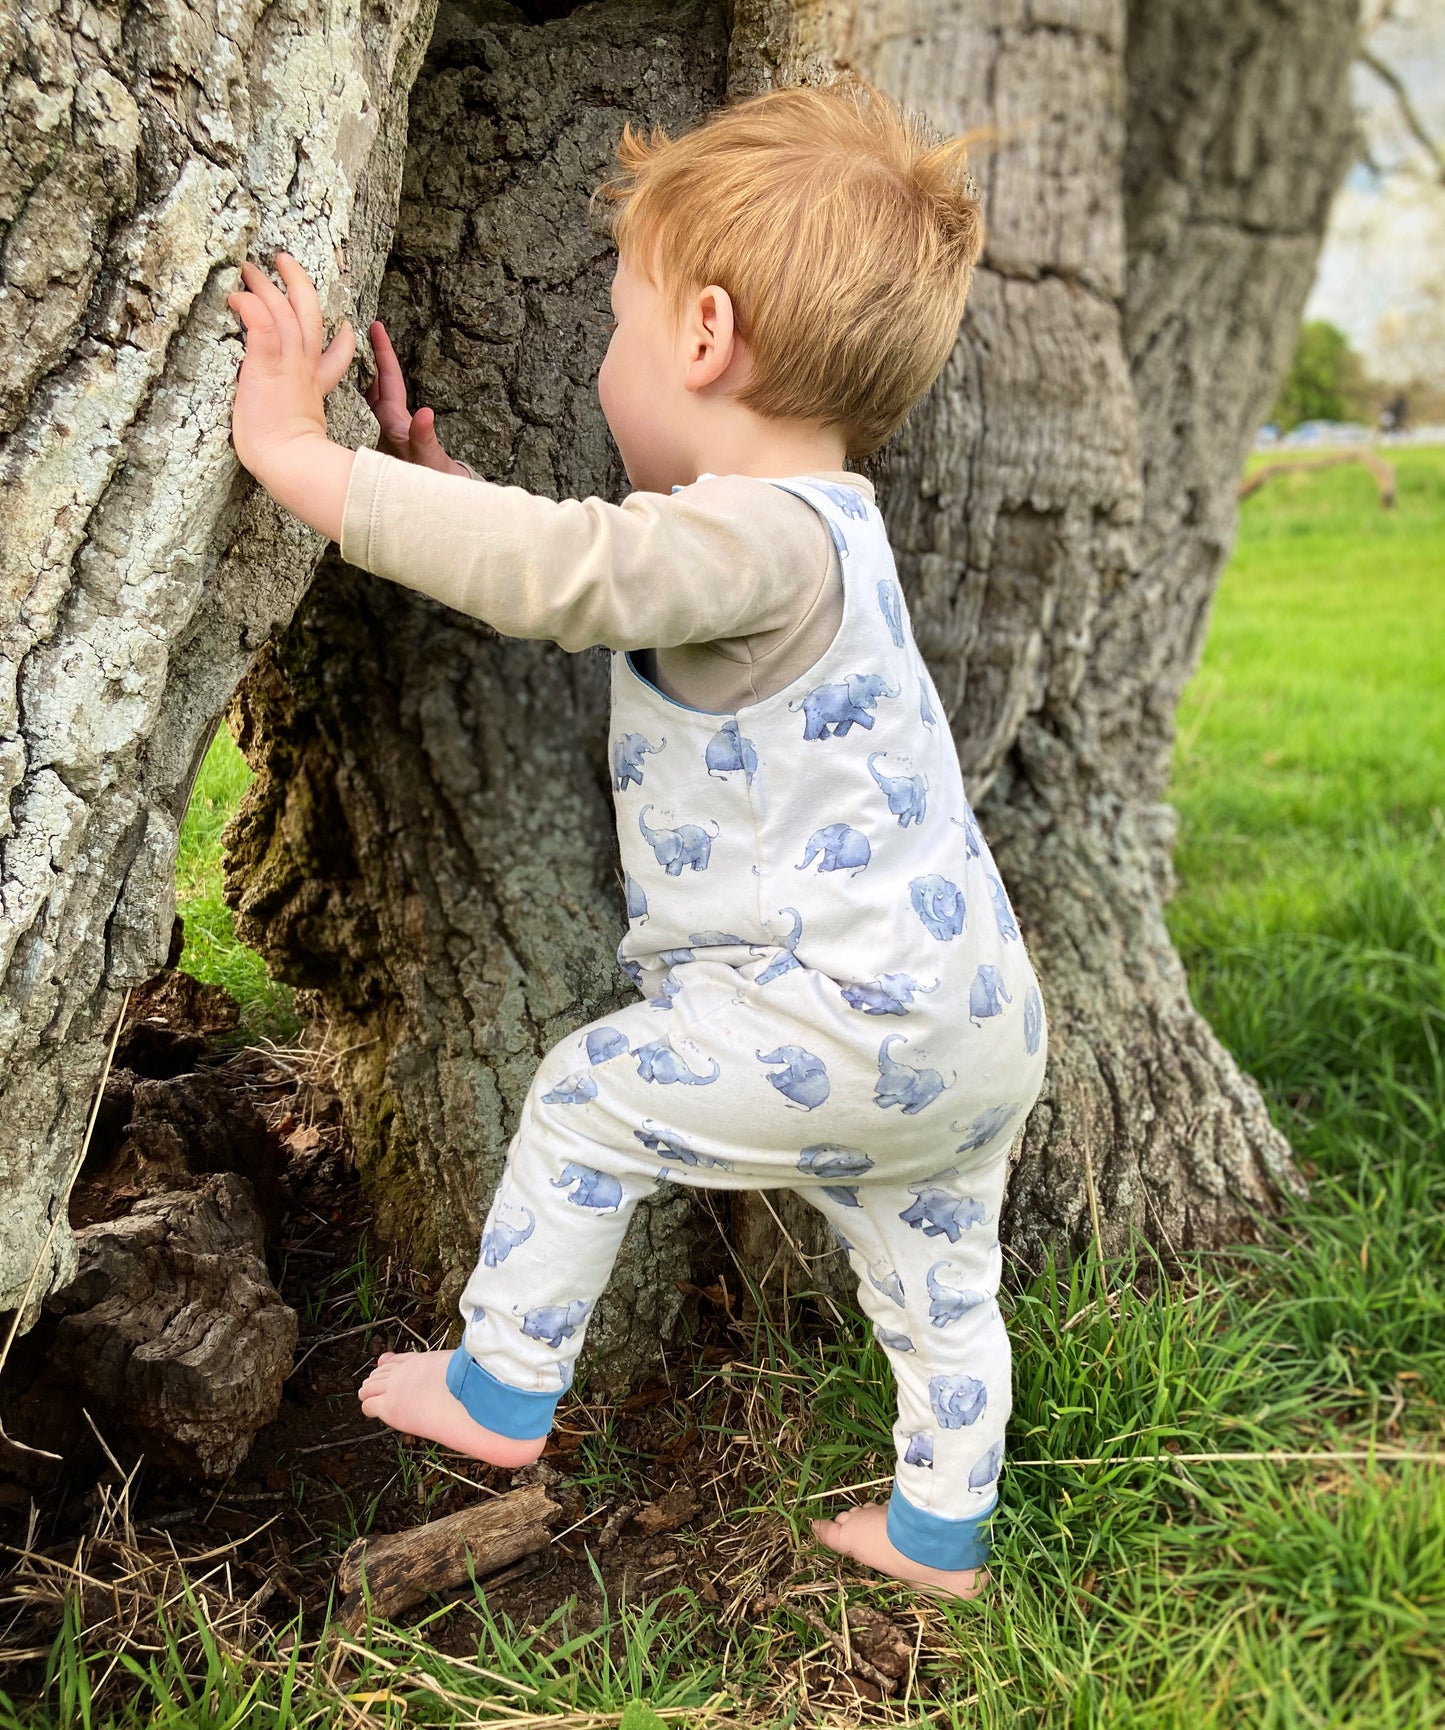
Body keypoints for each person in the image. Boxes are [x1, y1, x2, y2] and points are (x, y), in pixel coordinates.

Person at [225, 77, 1047, 1598]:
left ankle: (502, 1380)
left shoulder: (753, 532)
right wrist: (430, 480)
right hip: (971, 1028)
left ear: (703, 337)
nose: (607, 353)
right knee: (938, 1283)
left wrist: (301, 455)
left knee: (585, 1098)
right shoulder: (821, 528)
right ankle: (940, 1525)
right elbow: (601, 571)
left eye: (615, 321)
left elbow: (562, 571)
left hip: (835, 1020)